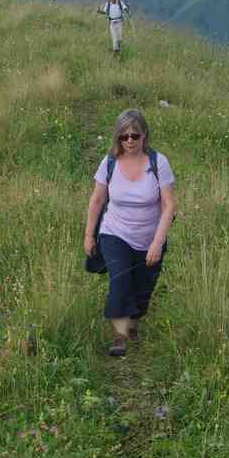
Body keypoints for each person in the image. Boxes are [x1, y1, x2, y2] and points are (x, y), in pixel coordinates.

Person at [83, 109, 177, 357]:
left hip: (150, 236)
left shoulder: (159, 163)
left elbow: (169, 205)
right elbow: (97, 200)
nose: (130, 141)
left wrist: (157, 242)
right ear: (117, 138)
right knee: (119, 281)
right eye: (124, 137)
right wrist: (89, 235)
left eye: (135, 135)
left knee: (143, 287)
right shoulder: (109, 163)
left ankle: (133, 323)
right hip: (115, 232)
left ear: (144, 135)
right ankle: (119, 336)